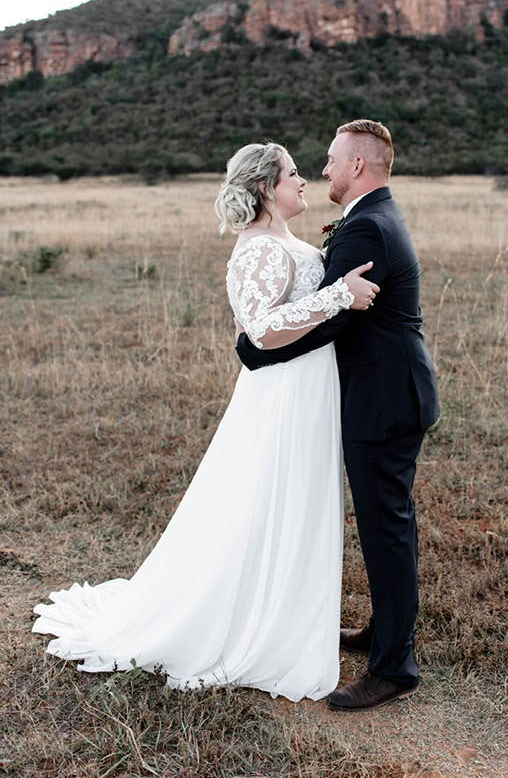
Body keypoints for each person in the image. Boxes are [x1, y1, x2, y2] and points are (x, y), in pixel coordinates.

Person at [32, 142, 379, 702]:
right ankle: (247, 623)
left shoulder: (287, 242)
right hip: (282, 392)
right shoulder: (258, 250)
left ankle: (286, 615)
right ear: (266, 187)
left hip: (311, 385)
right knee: (266, 497)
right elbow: (261, 331)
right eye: (293, 174)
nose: (303, 181)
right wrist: (339, 294)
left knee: (297, 498)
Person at [236, 119, 439, 712]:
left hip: (384, 400)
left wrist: (254, 349)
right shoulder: (374, 216)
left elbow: (337, 318)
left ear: (357, 165)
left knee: (386, 527)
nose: (323, 169)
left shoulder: (367, 227)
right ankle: (383, 632)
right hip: (390, 392)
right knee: (388, 523)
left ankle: (394, 668)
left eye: (330, 160)